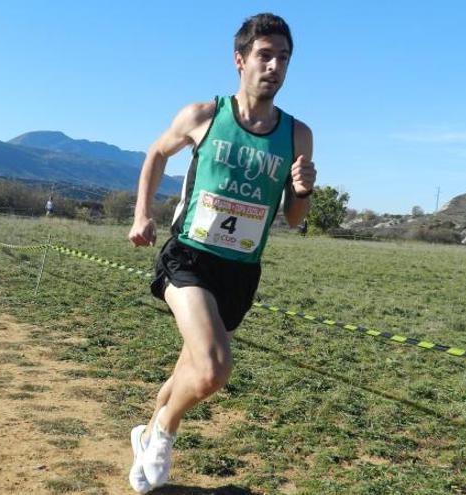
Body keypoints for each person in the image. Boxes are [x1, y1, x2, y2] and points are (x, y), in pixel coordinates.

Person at [126, 13, 315, 493]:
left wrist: (302, 191)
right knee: (212, 368)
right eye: (265, 55)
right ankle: (163, 433)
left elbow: (293, 220)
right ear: (240, 60)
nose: (274, 66)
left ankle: (145, 434)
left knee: (190, 368)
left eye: (284, 58)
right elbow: (155, 154)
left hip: (241, 270)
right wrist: (141, 215)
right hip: (189, 257)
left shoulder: (297, 135)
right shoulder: (204, 116)